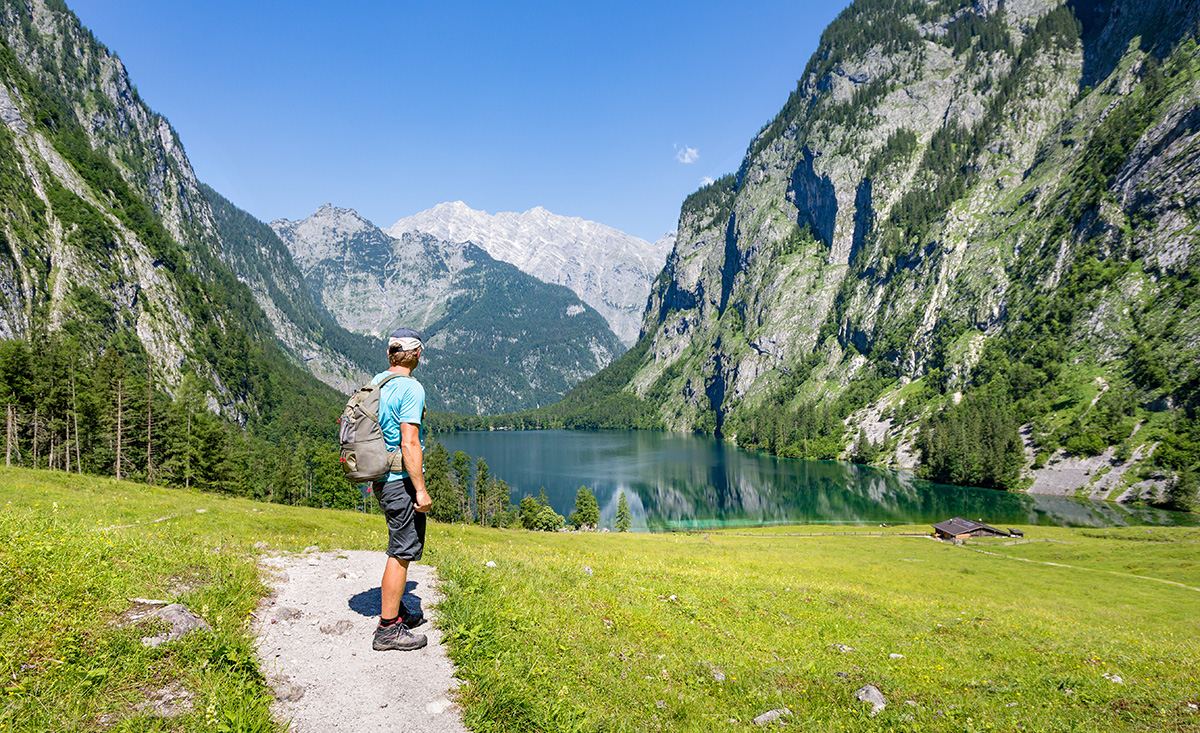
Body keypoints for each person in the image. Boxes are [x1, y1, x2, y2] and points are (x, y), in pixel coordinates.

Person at [372, 326, 434, 651]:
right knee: (401, 551)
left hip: (381, 478)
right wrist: (420, 490)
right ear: (418, 355)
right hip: (401, 482)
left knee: (400, 544)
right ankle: (387, 629)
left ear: (389, 354)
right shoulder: (411, 388)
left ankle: (396, 613)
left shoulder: (377, 383)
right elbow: (410, 443)